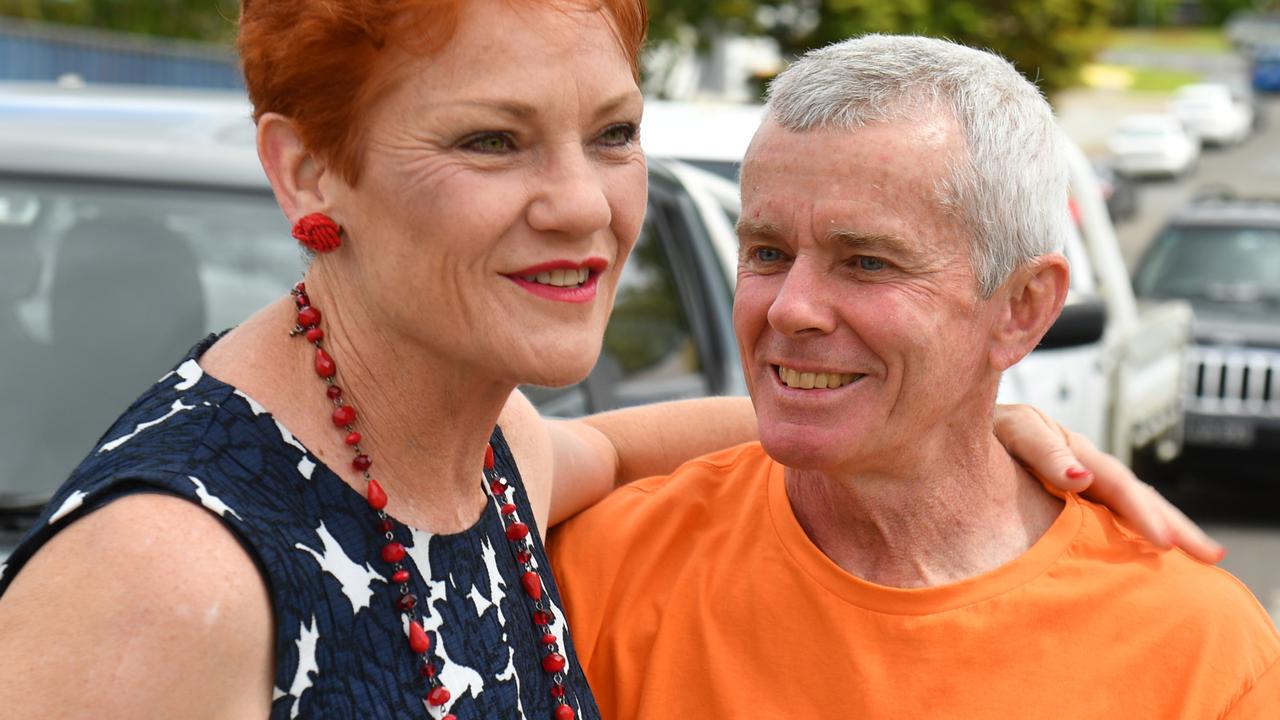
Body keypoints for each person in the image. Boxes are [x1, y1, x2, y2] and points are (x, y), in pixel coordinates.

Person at [0, 4, 1218, 717]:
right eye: (492, 141)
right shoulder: (166, 575)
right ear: (308, 169)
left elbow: (632, 439)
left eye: (613, 133)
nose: (581, 206)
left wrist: (967, 419)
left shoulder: (485, 463)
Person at [549, 35, 1280, 720]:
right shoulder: (600, 570)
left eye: (867, 262)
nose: (792, 307)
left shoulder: (1200, 654)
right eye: (767, 253)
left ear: (1022, 310)